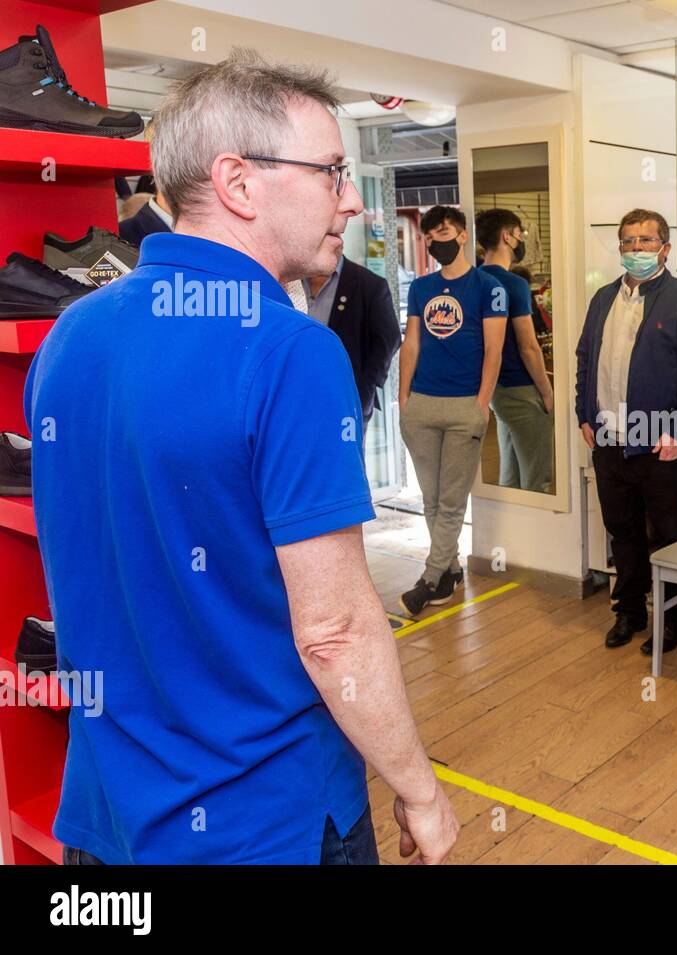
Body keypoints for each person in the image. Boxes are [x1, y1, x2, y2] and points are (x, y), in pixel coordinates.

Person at [25, 50, 459, 864]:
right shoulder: (290, 351)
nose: (353, 201)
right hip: (266, 824)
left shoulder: (67, 337)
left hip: (106, 823)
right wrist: (421, 788)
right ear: (237, 181)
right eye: (332, 172)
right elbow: (333, 630)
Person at [575, 208, 677, 655]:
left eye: (645, 240)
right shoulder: (602, 298)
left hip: (661, 442)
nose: (636, 249)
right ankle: (630, 612)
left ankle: (676, 618)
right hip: (607, 440)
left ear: (665, 247)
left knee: (670, 534)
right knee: (622, 533)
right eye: (628, 241)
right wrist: (585, 413)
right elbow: (586, 360)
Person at [398, 205, 506, 613]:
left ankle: (429, 579)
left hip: (464, 407)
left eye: (443, 232)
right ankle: (451, 570)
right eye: (430, 237)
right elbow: (412, 343)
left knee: (451, 500)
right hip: (421, 405)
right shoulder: (420, 288)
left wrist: (481, 402)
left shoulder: (486, 287)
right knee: (431, 499)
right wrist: (403, 397)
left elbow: (494, 350)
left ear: (462, 235)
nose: (436, 242)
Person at [477, 208, 554, 492]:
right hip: (520, 386)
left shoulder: (472, 280)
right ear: (507, 236)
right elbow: (528, 347)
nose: (521, 239)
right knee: (537, 479)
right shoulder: (514, 284)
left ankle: (510, 536)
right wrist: (547, 392)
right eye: (519, 233)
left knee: (509, 476)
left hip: (493, 387)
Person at [304, 254, 402, 428]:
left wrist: (367, 385)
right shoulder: (291, 281)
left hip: (346, 398)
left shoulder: (369, 284)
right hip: (296, 396)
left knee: (343, 455)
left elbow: (389, 338)